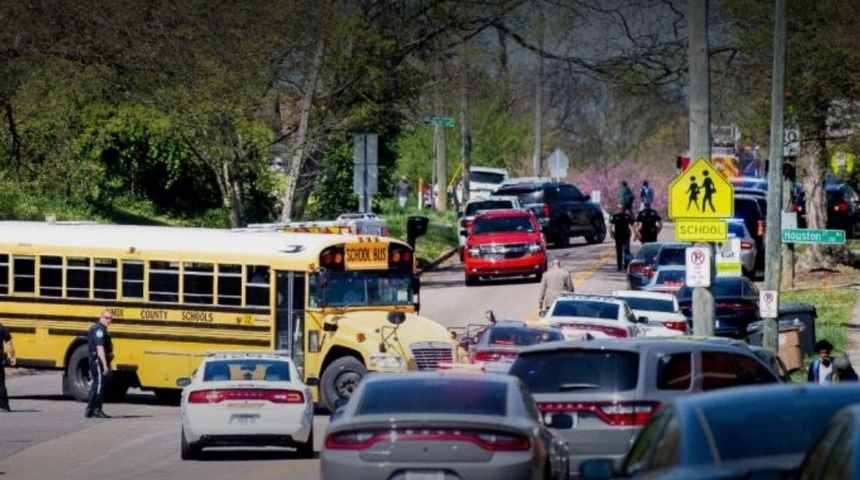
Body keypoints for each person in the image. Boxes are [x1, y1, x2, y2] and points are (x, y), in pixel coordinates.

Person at [85, 310, 114, 418]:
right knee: (99, 385)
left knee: (96, 384)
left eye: (110, 319)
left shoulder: (99, 329)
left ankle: (90, 410)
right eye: (107, 318)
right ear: (101, 317)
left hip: (96, 359)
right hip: (97, 360)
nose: (109, 321)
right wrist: (105, 364)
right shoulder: (99, 330)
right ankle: (96, 409)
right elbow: (100, 347)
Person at [609, 203, 635, 271]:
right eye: (619, 208)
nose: (620, 209)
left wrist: (634, 233)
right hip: (618, 236)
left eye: (621, 208)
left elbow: (632, 225)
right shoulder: (615, 216)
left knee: (626, 251)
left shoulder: (627, 216)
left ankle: (626, 266)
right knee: (619, 251)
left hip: (626, 236)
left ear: (623, 209)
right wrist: (611, 233)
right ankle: (619, 266)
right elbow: (611, 225)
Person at [0, 321, 15, 412]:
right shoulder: (2, 328)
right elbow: (9, 344)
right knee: (1, 382)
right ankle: (5, 405)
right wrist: (12, 358)